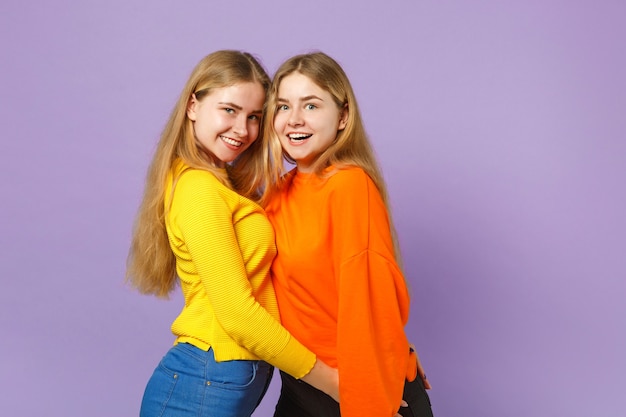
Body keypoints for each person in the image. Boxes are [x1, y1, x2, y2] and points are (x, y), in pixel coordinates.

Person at [125, 50, 338, 417]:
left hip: (214, 378)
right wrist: (332, 381)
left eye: (254, 116)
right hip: (198, 383)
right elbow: (238, 314)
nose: (242, 130)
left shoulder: (221, 185)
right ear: (193, 105)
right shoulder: (199, 189)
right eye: (229, 110)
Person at [261, 51, 434, 417]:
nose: (293, 120)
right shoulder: (276, 192)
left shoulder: (350, 185)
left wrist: (370, 400)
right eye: (282, 106)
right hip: (302, 385)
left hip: (356, 390)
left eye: (311, 106)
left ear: (342, 117)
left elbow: (366, 304)